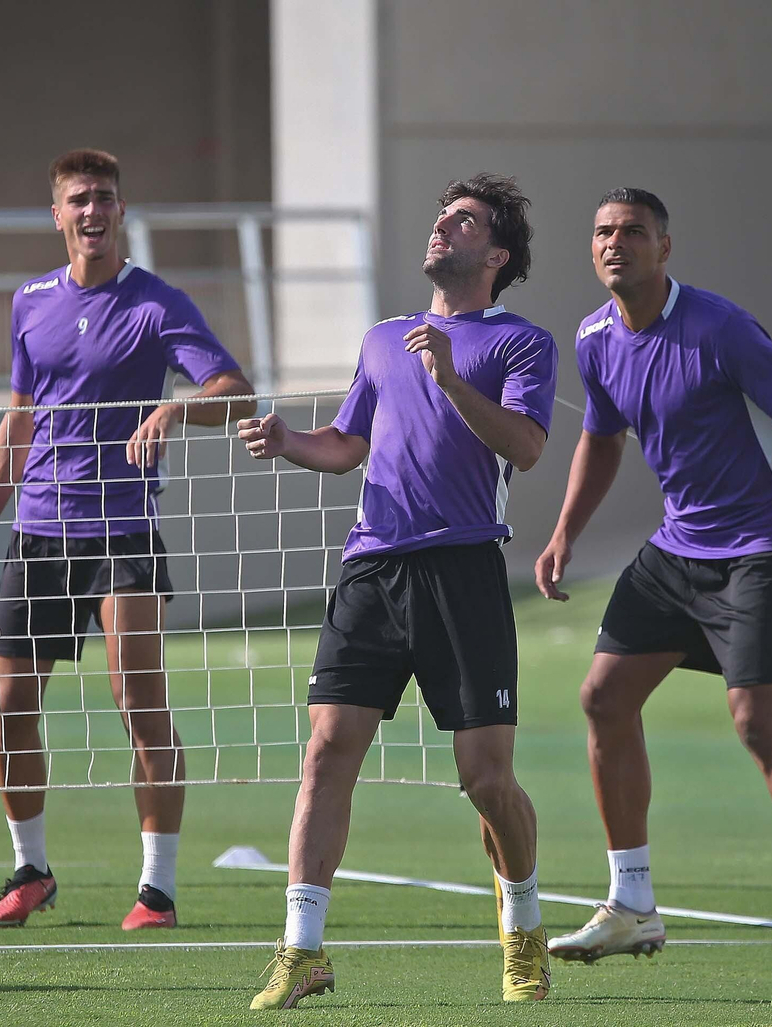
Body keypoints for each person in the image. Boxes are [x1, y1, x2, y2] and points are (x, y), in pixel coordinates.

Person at [239, 173, 557, 1008]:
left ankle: (523, 926)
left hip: (464, 572)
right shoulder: (385, 339)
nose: (441, 228)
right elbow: (346, 445)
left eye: (464, 221)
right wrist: (287, 439)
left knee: (486, 780)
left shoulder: (521, 344)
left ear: (496, 254)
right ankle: (302, 948)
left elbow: (525, 446)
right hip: (373, 569)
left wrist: (455, 381)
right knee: (325, 752)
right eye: (442, 215)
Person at [536, 188, 772, 967]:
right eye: (604, 231)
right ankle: (633, 904)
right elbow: (603, 438)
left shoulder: (721, 327)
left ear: (665, 248)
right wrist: (563, 534)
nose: (617, 243)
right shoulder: (594, 337)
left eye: (634, 232)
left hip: (759, 549)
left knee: (757, 725)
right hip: (678, 552)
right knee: (603, 697)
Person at [0, 149, 254, 930]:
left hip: (122, 533)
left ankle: (156, 888)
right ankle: (31, 869)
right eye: (79, 199)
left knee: (138, 701)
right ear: (57, 214)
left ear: (122, 211)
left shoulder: (157, 305)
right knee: (11, 703)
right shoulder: (29, 302)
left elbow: (235, 390)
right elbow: (19, 419)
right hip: (35, 531)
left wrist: (177, 410)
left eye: (106, 199)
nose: (93, 211)